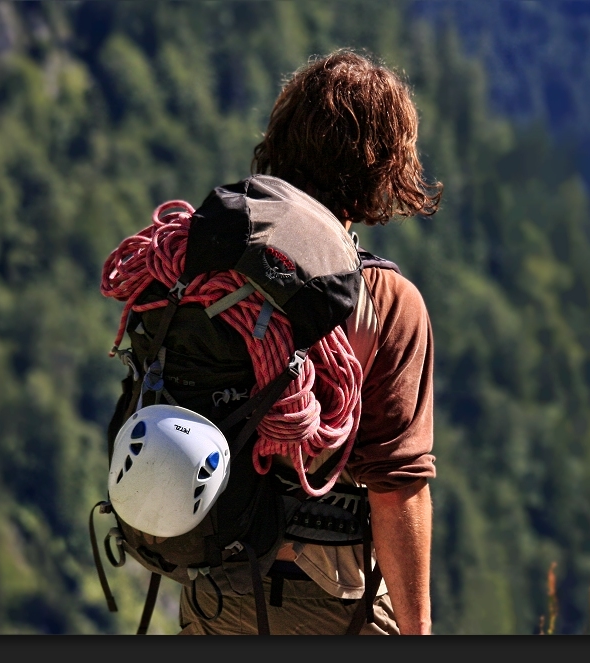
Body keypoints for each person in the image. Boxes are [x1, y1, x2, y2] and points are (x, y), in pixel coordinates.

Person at [177, 49, 441, 636]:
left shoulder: (214, 269)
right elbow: (397, 490)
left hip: (213, 597)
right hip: (331, 603)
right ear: (382, 162)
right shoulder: (385, 300)